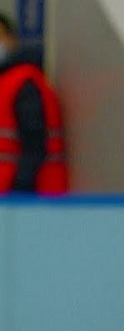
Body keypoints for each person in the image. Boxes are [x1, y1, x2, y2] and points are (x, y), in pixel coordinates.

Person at [0, 12, 68, 195]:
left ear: (12, 40)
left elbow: (35, 144)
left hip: (32, 198)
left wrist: (19, 192)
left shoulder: (24, 82)